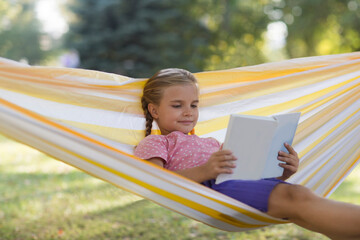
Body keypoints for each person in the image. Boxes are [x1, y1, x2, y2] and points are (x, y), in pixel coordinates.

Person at [134, 68, 360, 240]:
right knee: (297, 199)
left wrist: (281, 172)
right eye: (177, 105)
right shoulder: (155, 142)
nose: (188, 112)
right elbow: (156, 183)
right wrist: (206, 170)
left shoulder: (211, 142)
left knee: (301, 207)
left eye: (194, 105)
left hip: (235, 184)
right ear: (154, 110)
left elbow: (245, 171)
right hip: (215, 192)